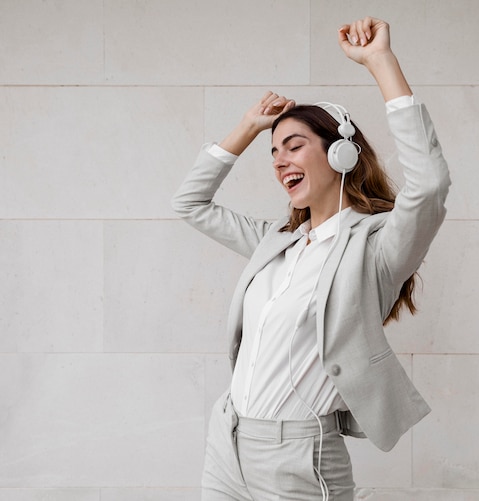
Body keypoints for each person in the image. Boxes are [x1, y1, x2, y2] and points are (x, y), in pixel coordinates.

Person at [172, 16, 451, 501]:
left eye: (294, 146)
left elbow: (428, 187)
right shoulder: (274, 242)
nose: (279, 160)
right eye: (273, 152)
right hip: (229, 439)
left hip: (298, 456)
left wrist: (380, 62)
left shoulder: (375, 248)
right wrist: (248, 127)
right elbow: (190, 203)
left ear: (341, 154)